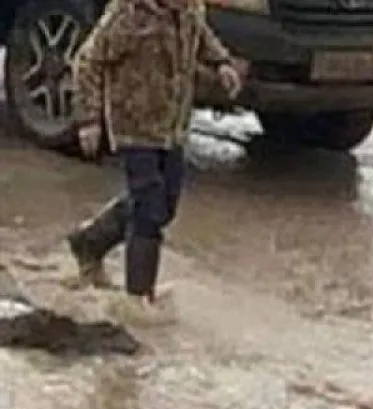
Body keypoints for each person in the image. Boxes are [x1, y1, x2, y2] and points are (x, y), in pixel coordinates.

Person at [69, 0, 243, 319]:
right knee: (149, 209)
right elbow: (88, 61)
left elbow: (203, 37)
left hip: (172, 127)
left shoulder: (191, 11)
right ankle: (138, 299)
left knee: (164, 205)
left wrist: (222, 63)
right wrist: (88, 120)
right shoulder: (129, 13)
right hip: (134, 127)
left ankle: (90, 240)